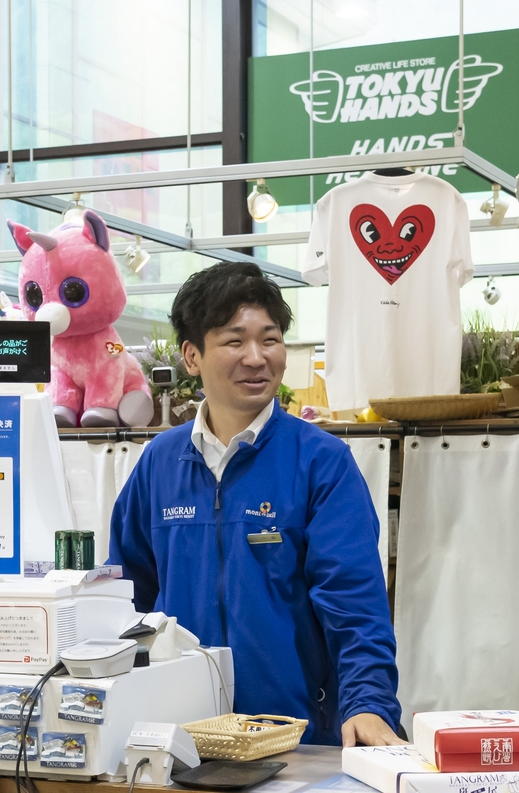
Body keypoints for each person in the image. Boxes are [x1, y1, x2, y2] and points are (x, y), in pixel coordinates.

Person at [109, 261, 403, 747]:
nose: (256, 357)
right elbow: (124, 599)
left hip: (296, 740)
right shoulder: (159, 463)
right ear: (192, 356)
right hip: (179, 740)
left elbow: (355, 605)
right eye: (233, 341)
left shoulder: (321, 462)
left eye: (269, 339)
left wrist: (368, 702)